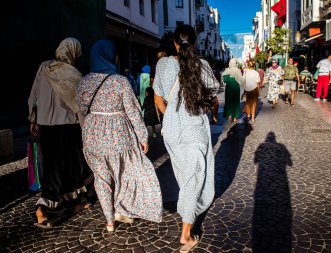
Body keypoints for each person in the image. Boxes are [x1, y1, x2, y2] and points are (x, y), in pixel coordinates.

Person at [78, 40, 162, 232]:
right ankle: (122, 208)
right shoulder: (120, 81)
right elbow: (133, 111)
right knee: (124, 174)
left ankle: (109, 221)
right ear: (112, 56)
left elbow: (82, 108)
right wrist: (143, 136)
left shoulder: (84, 81)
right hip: (118, 134)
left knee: (101, 177)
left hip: (92, 134)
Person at [153, 25, 219, 252]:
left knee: (185, 178)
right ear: (195, 43)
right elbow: (213, 90)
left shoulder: (162, 65)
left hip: (172, 130)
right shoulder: (203, 66)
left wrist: (171, 116)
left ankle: (187, 216)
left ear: (174, 42)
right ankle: (186, 235)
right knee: (192, 180)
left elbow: (158, 100)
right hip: (194, 130)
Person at [28, 38, 90, 228]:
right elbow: (78, 105)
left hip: (46, 126)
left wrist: (33, 119)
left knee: (53, 165)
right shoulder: (74, 75)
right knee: (72, 166)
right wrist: (85, 127)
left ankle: (72, 203)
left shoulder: (44, 68)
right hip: (68, 128)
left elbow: (34, 95)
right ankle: (44, 207)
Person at [222, 58, 244, 123]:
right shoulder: (238, 70)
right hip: (236, 88)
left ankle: (229, 116)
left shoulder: (227, 71)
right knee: (236, 102)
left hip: (229, 89)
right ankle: (235, 117)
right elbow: (241, 79)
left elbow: (224, 80)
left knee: (229, 102)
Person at [242, 59, 260, 124]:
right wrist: (258, 91)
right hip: (254, 89)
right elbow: (257, 83)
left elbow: (243, 81)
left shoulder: (245, 72)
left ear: (248, 65)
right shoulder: (256, 73)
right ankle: (252, 118)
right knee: (254, 103)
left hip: (247, 89)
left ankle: (248, 115)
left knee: (248, 103)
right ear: (254, 65)